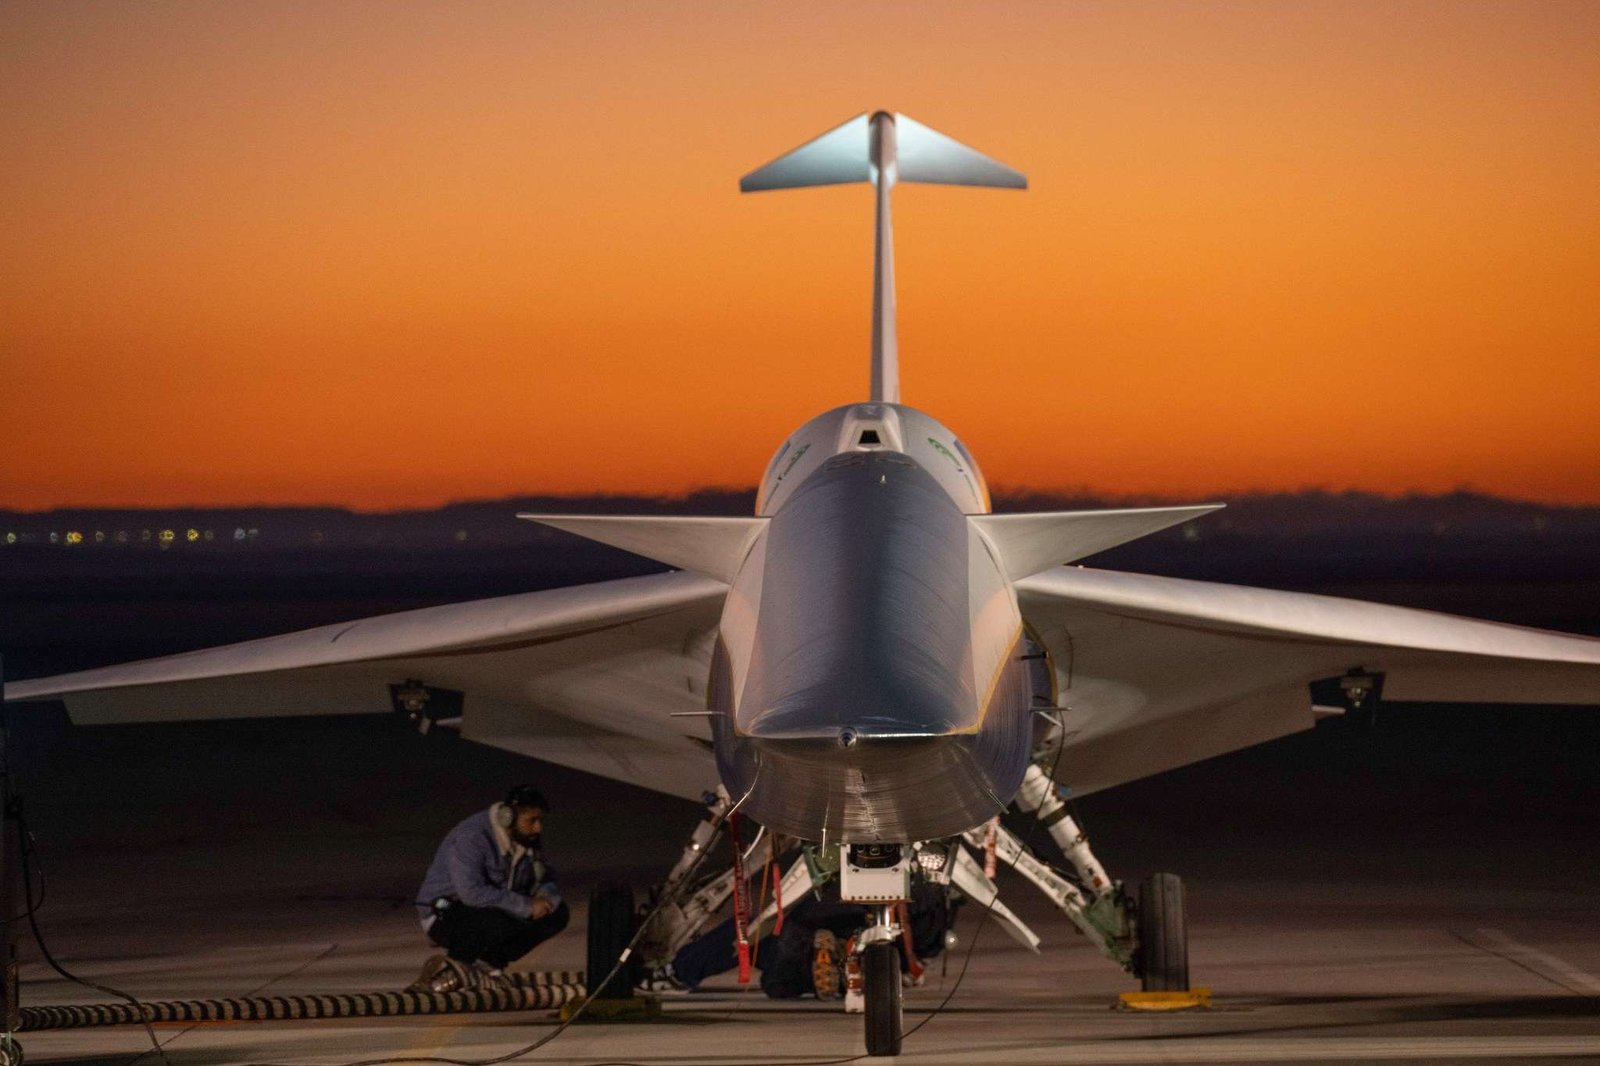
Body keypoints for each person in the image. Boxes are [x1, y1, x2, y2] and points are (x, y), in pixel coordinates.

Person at [642, 876, 952, 999]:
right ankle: (839, 966)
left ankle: (677, 973)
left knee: (754, 939)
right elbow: (909, 925)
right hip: (838, 934)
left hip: (804, 931)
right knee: (776, 980)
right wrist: (912, 963)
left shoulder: (910, 897)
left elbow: (902, 912)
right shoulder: (933, 905)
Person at [409, 785, 569, 992]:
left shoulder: (526, 840)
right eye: (532, 821)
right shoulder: (472, 837)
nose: (538, 828)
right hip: (446, 913)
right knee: (494, 916)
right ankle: (450, 967)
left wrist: (546, 899)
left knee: (557, 914)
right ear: (508, 818)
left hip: (496, 910)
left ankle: (489, 963)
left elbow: (545, 877)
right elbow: (471, 893)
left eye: (540, 821)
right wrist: (526, 906)